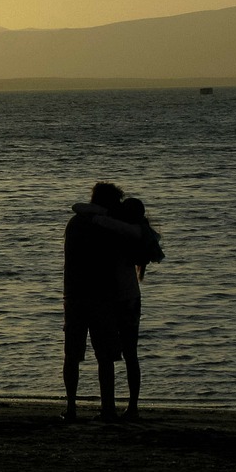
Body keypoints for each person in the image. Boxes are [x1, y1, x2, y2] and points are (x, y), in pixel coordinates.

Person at [73, 197, 164, 420]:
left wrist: (102, 213)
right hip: (127, 299)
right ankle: (129, 407)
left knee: (114, 355)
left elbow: (81, 209)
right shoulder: (135, 230)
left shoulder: (129, 229)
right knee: (129, 354)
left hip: (119, 300)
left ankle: (118, 408)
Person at [62, 181, 126, 422]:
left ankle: (71, 407)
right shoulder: (105, 226)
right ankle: (107, 407)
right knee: (106, 356)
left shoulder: (76, 223)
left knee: (73, 354)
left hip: (75, 295)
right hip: (101, 297)